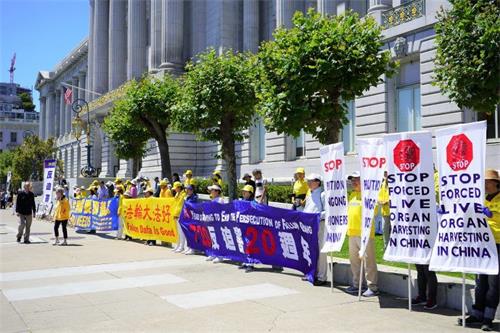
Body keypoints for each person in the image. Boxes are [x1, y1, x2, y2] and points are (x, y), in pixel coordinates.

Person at [460, 169, 500, 331]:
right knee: (480, 282)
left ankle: (488, 318)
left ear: (495, 183)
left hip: (497, 245)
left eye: (487, 182)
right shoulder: (481, 199)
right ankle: (477, 313)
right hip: (481, 245)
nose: (484, 185)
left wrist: (491, 215)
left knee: (493, 283)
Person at [346, 171, 378, 297]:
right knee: (354, 261)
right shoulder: (352, 195)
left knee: (369, 261)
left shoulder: (368, 196)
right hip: (352, 233)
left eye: (356, 180)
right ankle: (357, 285)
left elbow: (374, 212)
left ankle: (373, 287)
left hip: (365, 234)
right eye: (352, 180)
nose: (354, 182)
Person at [413, 169, 439, 310]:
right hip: (417, 237)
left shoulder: (432, 204)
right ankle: (421, 295)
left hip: (429, 238)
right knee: (419, 269)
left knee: (428, 269)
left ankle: (432, 299)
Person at [302, 173, 327, 286]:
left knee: (321, 250)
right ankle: (311, 273)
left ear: (317, 182)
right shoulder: (310, 194)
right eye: (308, 181)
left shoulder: (323, 194)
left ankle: (322, 276)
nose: (309, 183)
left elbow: (327, 212)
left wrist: (316, 216)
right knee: (310, 250)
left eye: (311, 181)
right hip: (308, 226)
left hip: (319, 225)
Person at [239, 185, 256, 272]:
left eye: (245, 192)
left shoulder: (253, 203)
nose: (243, 193)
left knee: (250, 245)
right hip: (243, 226)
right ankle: (245, 262)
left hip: (250, 228)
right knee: (244, 244)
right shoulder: (241, 201)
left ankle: (250, 263)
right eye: (243, 191)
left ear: (250, 193)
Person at [207, 184, 224, 262]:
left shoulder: (220, 200)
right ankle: (214, 253)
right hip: (212, 221)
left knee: (219, 238)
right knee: (213, 238)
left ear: (217, 191)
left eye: (212, 190)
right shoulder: (212, 200)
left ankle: (220, 256)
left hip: (218, 222)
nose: (211, 191)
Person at [378, 171, 390, 248]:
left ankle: (393, 246)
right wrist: (380, 201)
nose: (385, 174)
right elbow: (379, 195)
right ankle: (386, 246)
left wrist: (387, 201)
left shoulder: (395, 183)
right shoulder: (382, 184)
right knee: (384, 229)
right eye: (384, 172)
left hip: (393, 211)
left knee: (393, 230)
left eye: (386, 172)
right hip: (384, 211)